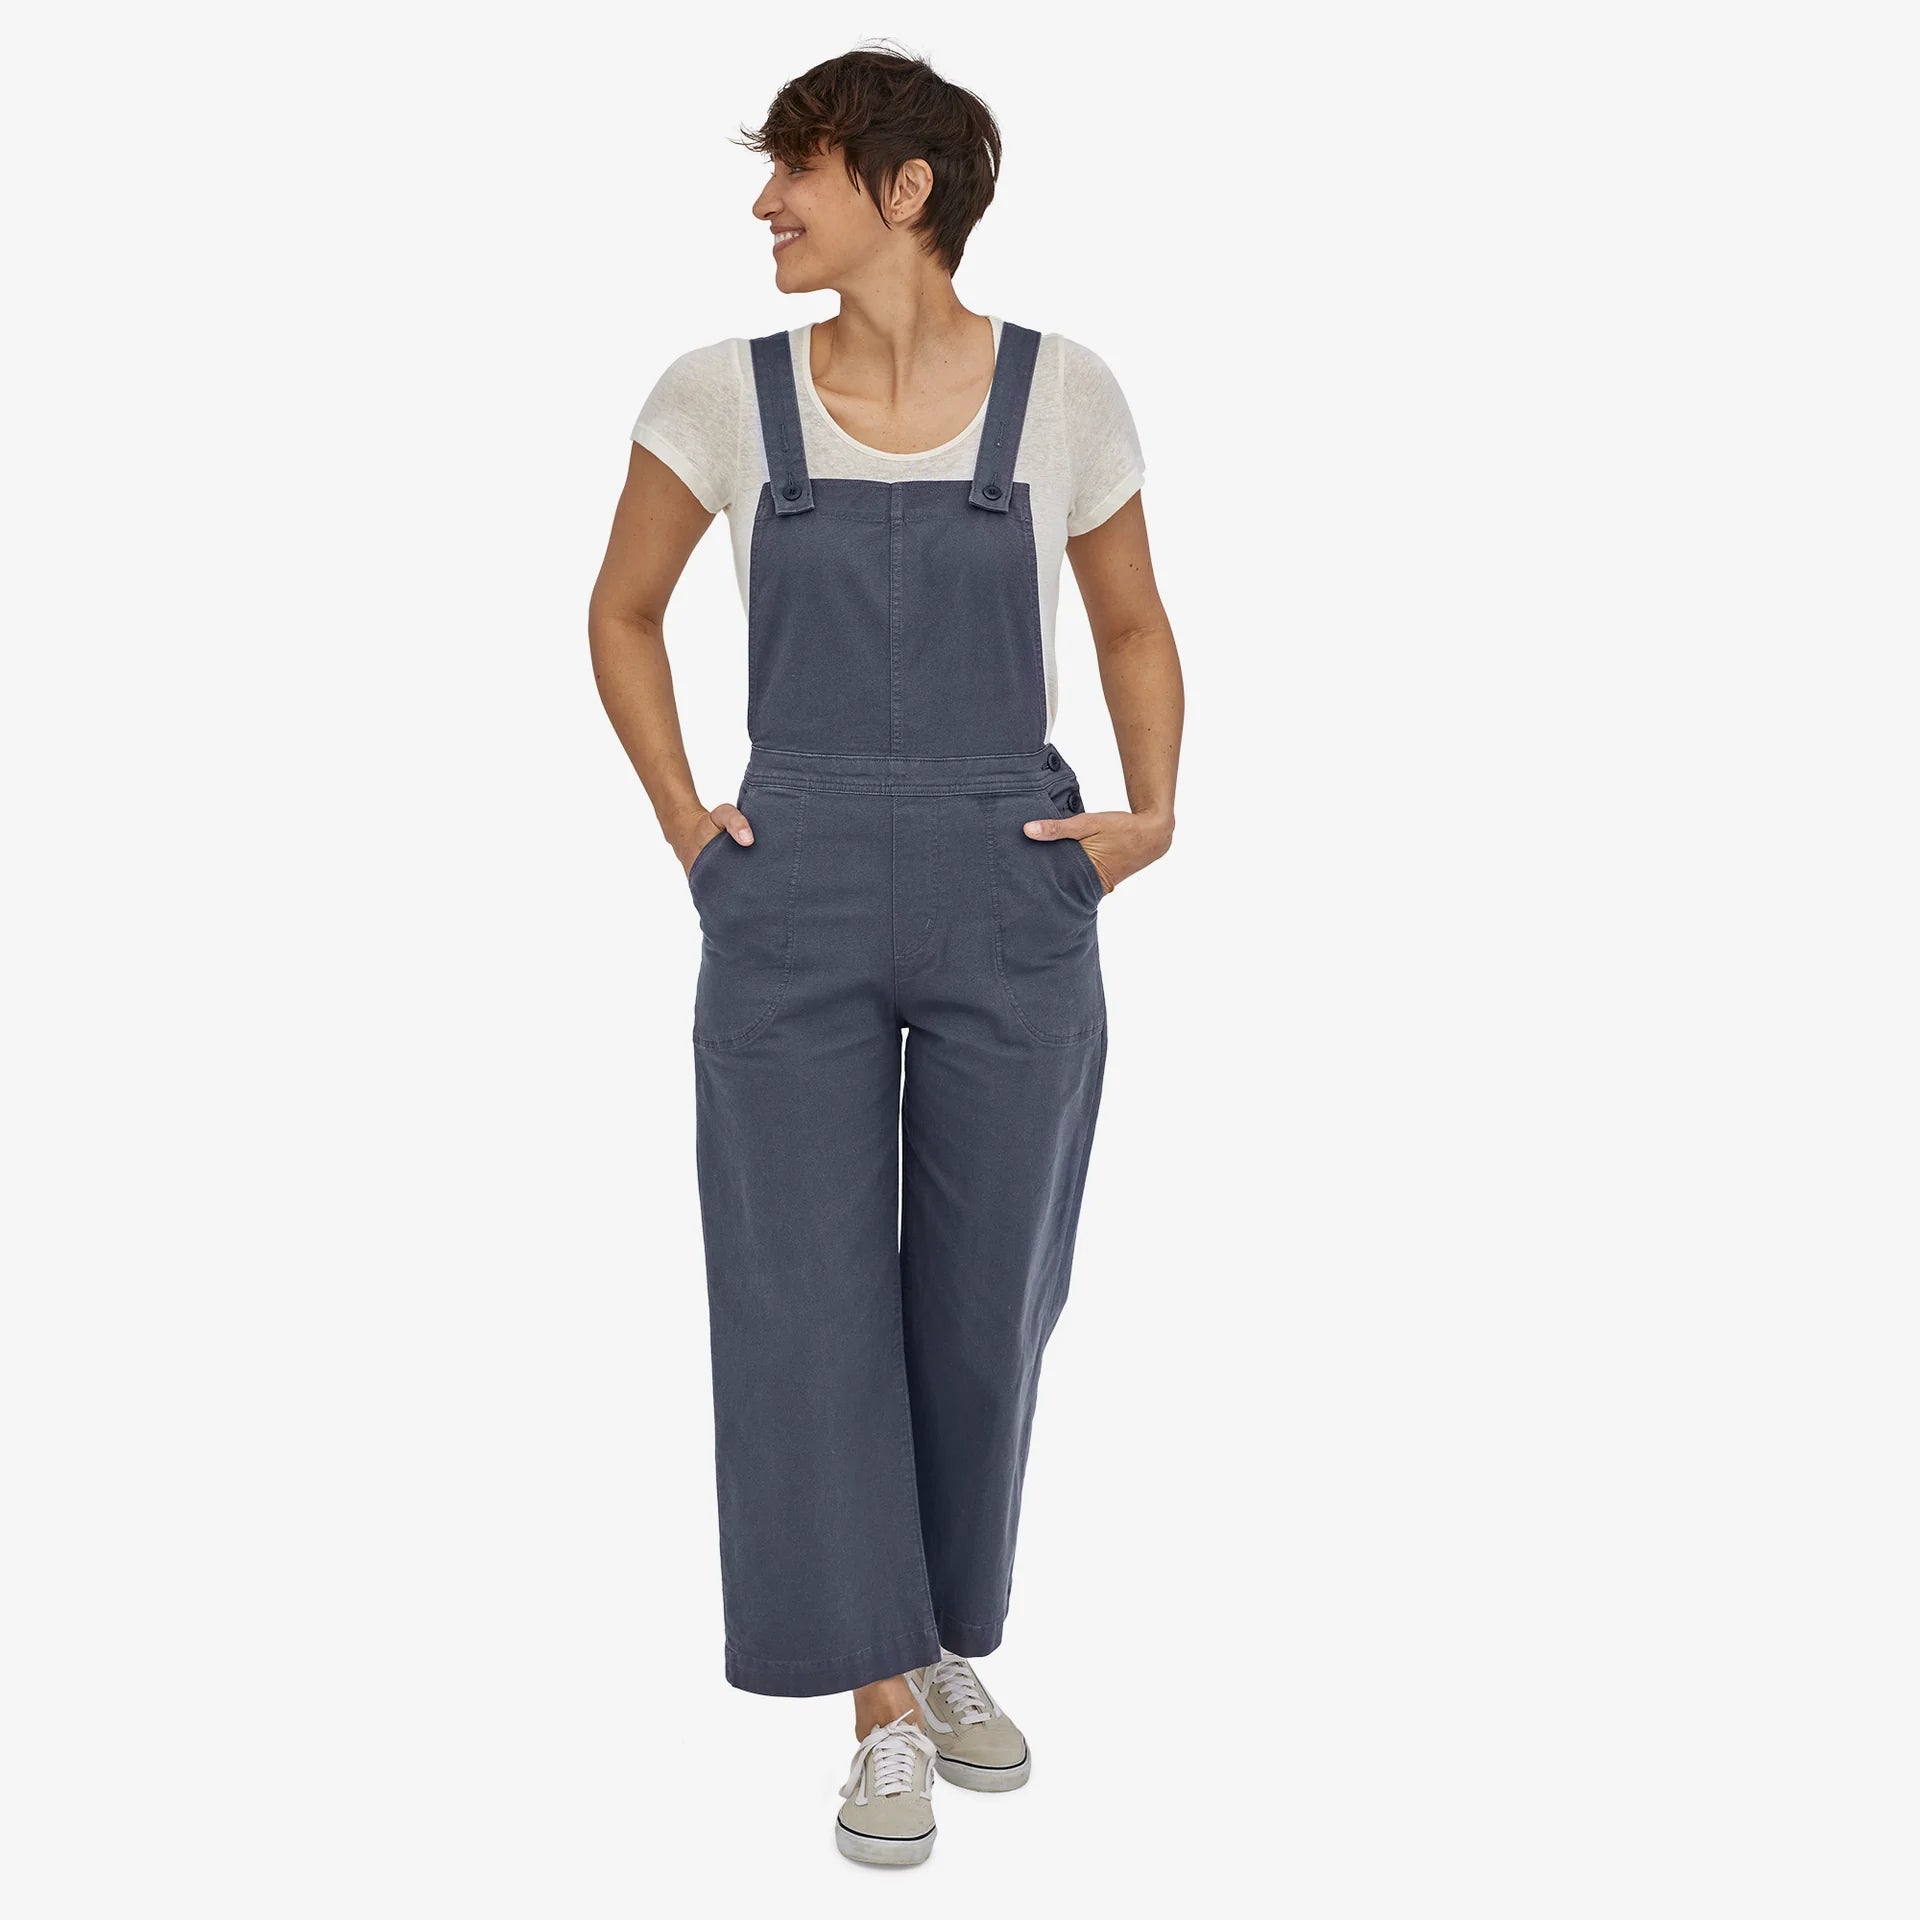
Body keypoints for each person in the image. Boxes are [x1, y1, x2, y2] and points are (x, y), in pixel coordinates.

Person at [588, 46, 1183, 1868]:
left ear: (905, 189)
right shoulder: (722, 395)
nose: (767, 202)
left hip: (1014, 884)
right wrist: (690, 825)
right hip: (793, 892)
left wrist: (1151, 812)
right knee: (806, 1300)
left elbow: (1133, 624)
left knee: (989, 1299)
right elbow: (620, 611)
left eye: (802, 168)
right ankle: (878, 1708)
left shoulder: (1064, 394)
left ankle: (927, 1637)